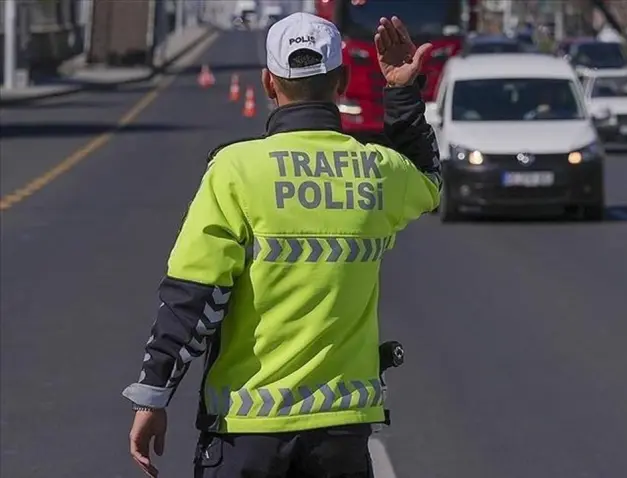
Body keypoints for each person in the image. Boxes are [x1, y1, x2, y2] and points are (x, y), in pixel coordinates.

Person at [122, 12, 440, 478]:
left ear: (269, 83)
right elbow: (429, 181)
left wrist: (154, 394)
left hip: (245, 432)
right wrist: (401, 92)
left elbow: (194, 296)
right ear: (344, 81)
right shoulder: (375, 171)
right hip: (342, 436)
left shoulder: (236, 170)